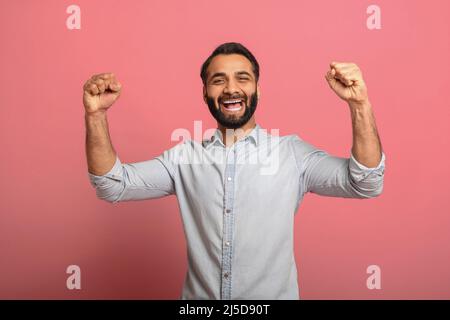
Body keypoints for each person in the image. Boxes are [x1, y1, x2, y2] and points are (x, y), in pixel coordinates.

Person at [83, 42, 385, 299]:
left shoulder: (292, 154)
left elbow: (365, 182)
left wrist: (360, 104)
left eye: (242, 78)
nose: (231, 89)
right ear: (205, 92)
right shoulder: (184, 158)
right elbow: (113, 185)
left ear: (257, 89)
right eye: (218, 80)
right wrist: (95, 115)